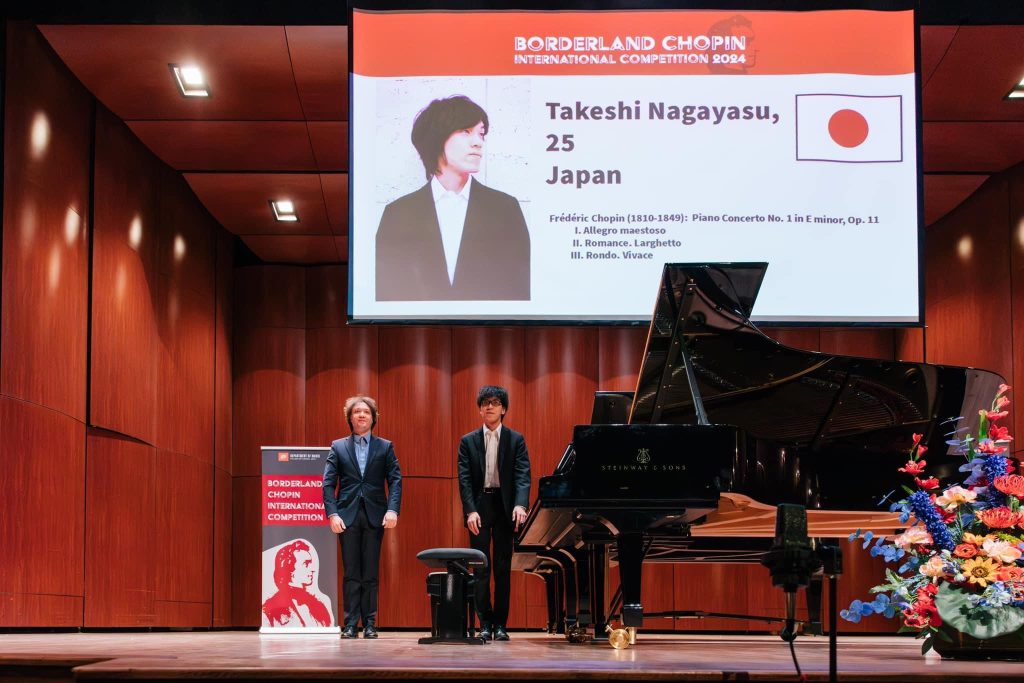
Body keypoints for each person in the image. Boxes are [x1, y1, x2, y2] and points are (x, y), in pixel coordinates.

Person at [375, 95, 530, 301]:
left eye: (481, 134)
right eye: (466, 132)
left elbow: (520, 287)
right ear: (437, 139)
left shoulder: (505, 209)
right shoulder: (398, 213)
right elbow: (387, 290)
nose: (478, 143)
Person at [322, 395, 402, 639]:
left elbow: (395, 480)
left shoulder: (385, 447)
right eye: (356, 411)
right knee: (351, 572)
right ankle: (349, 624)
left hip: (375, 515)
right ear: (350, 417)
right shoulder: (338, 446)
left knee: (370, 572)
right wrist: (332, 513)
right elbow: (328, 484)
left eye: (366, 412)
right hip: (346, 516)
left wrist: (392, 509)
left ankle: (369, 624)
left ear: (373, 417)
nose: (361, 415)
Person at [457, 385, 531, 641]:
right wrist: (470, 511)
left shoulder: (516, 439)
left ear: (504, 409)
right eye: (485, 402)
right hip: (480, 507)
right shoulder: (468, 441)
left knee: (501, 568)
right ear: (479, 409)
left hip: (505, 508)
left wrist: (521, 504)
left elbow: (523, 475)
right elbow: (464, 480)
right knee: (480, 569)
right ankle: (484, 623)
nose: (489, 406)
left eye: (495, 402)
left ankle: (500, 625)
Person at [261, 539, 333, 628]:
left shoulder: (320, 606)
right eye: (306, 564)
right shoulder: (268, 611)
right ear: (289, 569)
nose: (312, 569)